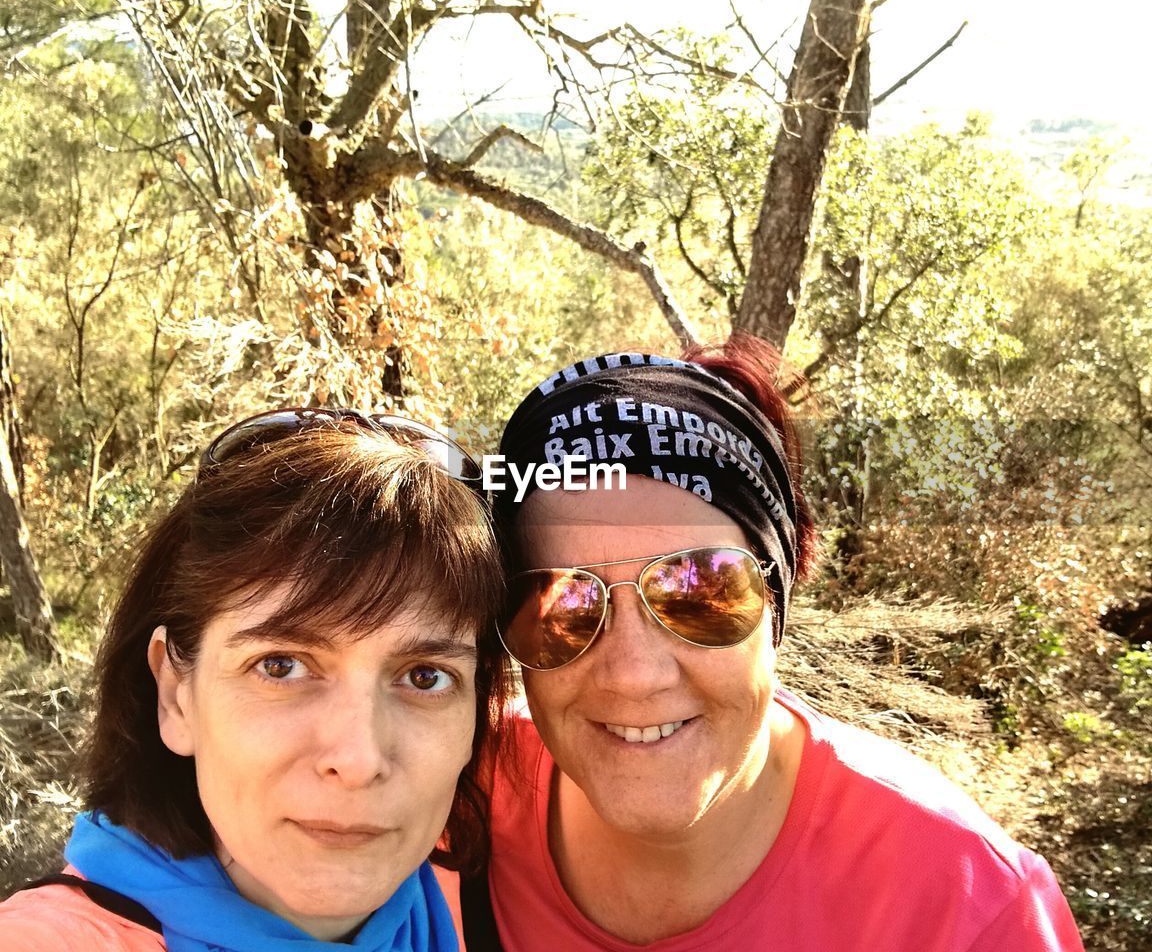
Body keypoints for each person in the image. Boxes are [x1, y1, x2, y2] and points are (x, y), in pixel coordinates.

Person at [473, 345, 1086, 951]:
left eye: (700, 590)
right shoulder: (454, 798)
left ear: (776, 601)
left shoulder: (969, 910)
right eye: (563, 604)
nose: (634, 674)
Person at [0, 408, 509, 952]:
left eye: (425, 676)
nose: (359, 761)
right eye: (280, 666)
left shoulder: (470, 892)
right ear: (175, 696)